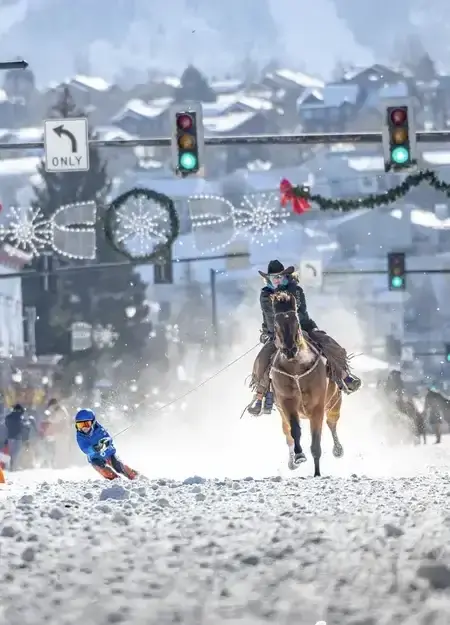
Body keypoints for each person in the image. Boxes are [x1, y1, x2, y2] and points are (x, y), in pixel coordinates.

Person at [248, 260, 362, 416]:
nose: (276, 280)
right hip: (277, 333)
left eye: (279, 277)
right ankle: (261, 395)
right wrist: (270, 331)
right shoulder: (265, 296)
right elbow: (268, 316)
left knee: (329, 344)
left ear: (285, 277)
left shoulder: (296, 290)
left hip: (303, 327)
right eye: (273, 278)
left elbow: (300, 312)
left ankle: (343, 376)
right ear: (268, 279)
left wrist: (295, 328)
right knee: (262, 359)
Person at [75, 409, 138, 480]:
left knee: (118, 465)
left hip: (107, 453)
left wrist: (106, 442)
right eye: (80, 425)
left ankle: (135, 476)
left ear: (93, 422)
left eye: (86, 424)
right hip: (94, 458)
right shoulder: (80, 436)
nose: (84, 428)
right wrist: (93, 449)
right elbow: (84, 449)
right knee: (103, 470)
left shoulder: (99, 429)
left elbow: (108, 438)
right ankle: (116, 480)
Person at [3, 404, 26, 471]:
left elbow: (6, 426)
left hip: (10, 437)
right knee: (17, 452)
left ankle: (12, 466)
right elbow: (22, 427)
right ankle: (14, 466)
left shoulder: (8, 417)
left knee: (11, 452)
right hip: (18, 437)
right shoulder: (20, 417)